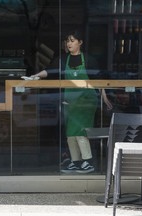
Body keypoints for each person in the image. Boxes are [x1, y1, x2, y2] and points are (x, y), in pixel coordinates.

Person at [31, 30, 112, 173]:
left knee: (81, 131)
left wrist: (104, 97)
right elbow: (50, 71)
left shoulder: (88, 60)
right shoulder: (62, 60)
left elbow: (98, 79)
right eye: (68, 41)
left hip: (86, 101)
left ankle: (87, 161)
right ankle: (76, 161)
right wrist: (36, 76)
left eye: (73, 40)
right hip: (70, 102)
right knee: (70, 134)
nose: (69, 43)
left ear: (80, 43)